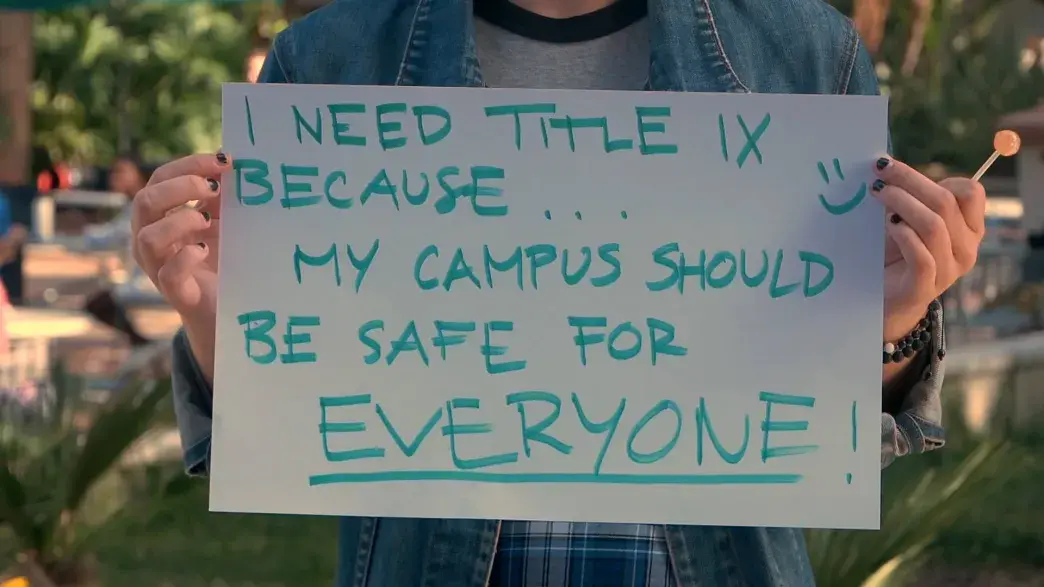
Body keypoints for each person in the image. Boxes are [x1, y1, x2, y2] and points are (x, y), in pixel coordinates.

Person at [132, 0, 987, 585]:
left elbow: (825, 439)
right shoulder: (330, 59)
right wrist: (219, 326)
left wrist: (894, 323)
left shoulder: (804, 53)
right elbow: (296, 418)